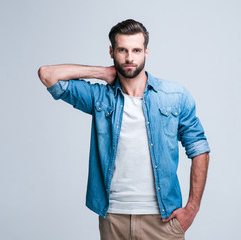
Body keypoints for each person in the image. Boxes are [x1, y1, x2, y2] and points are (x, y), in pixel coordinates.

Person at [38, 19, 210, 240]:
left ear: (146, 51)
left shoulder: (174, 96)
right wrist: (102, 72)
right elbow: (47, 75)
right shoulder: (99, 97)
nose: (130, 58)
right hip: (114, 218)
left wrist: (192, 208)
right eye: (122, 50)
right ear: (111, 52)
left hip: (162, 219)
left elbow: (199, 148)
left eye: (136, 50)